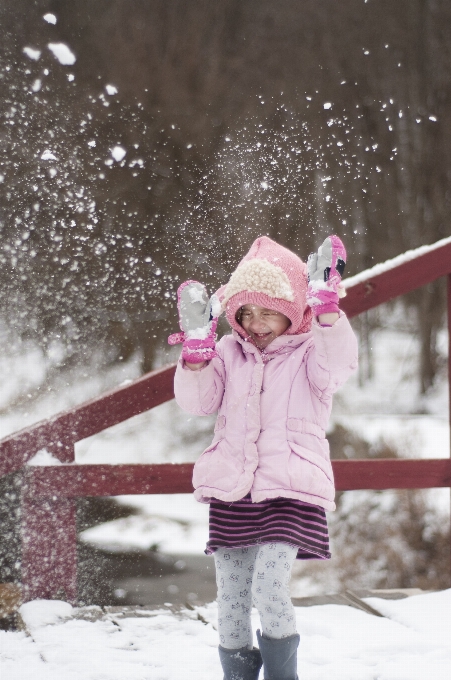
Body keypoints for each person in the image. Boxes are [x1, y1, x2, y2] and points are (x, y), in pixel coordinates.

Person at [169, 235, 358, 680]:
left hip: (290, 488)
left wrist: (327, 308)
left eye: (268, 311)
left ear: (294, 308)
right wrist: (196, 354)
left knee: (269, 588)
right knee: (232, 601)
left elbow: (339, 365)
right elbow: (197, 402)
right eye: (245, 313)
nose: (255, 323)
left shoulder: (313, 350)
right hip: (234, 491)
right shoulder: (228, 354)